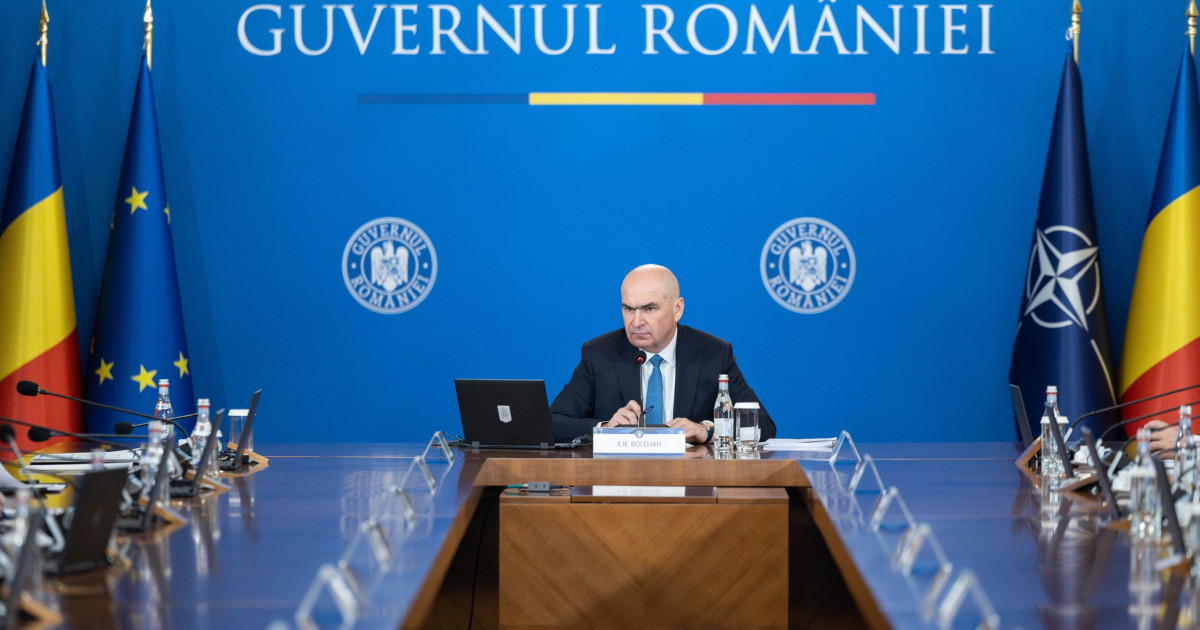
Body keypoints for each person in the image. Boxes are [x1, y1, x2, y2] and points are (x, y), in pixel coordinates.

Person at [550, 264, 775, 444]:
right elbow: (553, 421)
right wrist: (606, 428)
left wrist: (706, 431)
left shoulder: (714, 354)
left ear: (677, 309)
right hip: (620, 479)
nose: (636, 321)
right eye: (628, 309)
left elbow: (762, 425)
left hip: (690, 480)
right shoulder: (599, 353)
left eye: (649, 308)